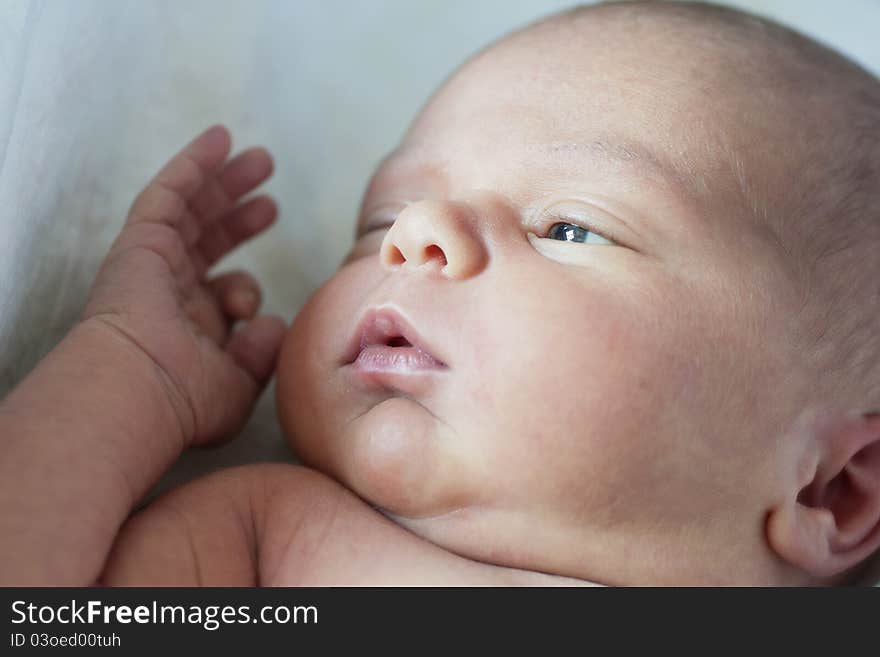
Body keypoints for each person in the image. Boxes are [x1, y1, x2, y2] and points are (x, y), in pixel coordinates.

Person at [2, 0, 879, 586]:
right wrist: (130, 369)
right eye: (379, 216)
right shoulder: (275, 547)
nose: (413, 234)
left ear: (830, 490)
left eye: (570, 228)